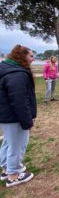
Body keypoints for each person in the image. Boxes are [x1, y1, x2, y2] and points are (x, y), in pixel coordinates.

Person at [0, 45, 36, 187]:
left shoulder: (7, 68)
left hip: (6, 115)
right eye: (31, 56)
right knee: (17, 145)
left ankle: (5, 168)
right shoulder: (17, 74)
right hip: (13, 117)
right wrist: (27, 122)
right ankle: (13, 175)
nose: (33, 59)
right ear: (21, 57)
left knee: (8, 142)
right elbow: (19, 101)